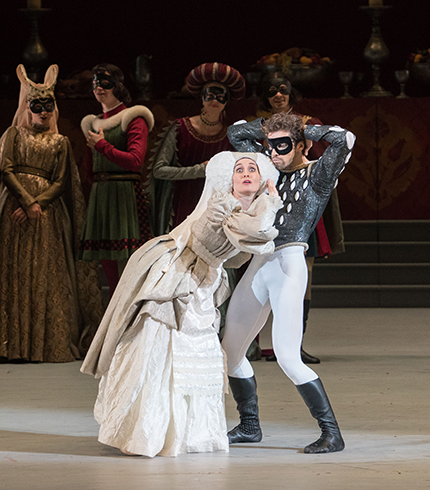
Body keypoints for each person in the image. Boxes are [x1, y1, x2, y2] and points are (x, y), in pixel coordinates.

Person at [81, 151, 281, 458]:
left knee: (198, 353)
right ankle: (148, 432)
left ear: (260, 178)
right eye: (238, 169)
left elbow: (250, 247)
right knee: (162, 348)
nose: (245, 174)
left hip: (204, 282)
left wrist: (265, 203)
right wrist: (272, 198)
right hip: (176, 277)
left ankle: (190, 433)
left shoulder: (247, 211)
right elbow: (259, 233)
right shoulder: (223, 206)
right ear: (229, 180)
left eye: (252, 169)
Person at [222, 112, 355, 454]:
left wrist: (302, 129)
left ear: (301, 145)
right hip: (260, 262)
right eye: (270, 145)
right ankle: (250, 426)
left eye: (283, 146)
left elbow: (344, 139)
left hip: (289, 263)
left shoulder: (318, 175)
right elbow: (236, 132)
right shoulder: (267, 169)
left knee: (287, 356)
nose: (274, 152)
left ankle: (331, 433)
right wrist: (272, 129)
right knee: (230, 352)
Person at [0, 64, 103, 362]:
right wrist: (25, 202)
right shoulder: (13, 135)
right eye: (38, 106)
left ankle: (43, 343)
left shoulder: (59, 142)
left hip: (46, 217)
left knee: (44, 272)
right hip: (11, 211)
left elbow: (62, 181)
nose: (44, 112)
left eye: (48, 106)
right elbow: (6, 170)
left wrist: (39, 204)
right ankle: (10, 344)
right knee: (13, 272)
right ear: (28, 107)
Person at [258, 72, 345, 365]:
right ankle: (256, 343)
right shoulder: (259, 127)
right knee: (261, 273)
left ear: (291, 93)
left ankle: (295, 345)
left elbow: (324, 162)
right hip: (268, 207)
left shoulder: (310, 124)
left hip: (301, 203)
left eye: (283, 90)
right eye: (272, 92)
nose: (278, 95)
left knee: (302, 278)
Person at [80, 63, 154, 296]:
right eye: (95, 83)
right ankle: (112, 317)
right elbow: (89, 169)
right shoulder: (92, 123)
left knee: (130, 264)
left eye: (105, 82)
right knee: (108, 266)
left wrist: (103, 146)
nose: (99, 88)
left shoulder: (133, 118)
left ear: (118, 86)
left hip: (124, 197)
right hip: (101, 196)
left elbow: (135, 161)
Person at [148, 62, 246, 236]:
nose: (215, 100)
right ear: (202, 98)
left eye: (220, 96)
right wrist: (199, 170)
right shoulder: (180, 128)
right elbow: (159, 170)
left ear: (227, 101)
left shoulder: (229, 135)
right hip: (182, 200)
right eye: (210, 95)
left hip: (215, 206)